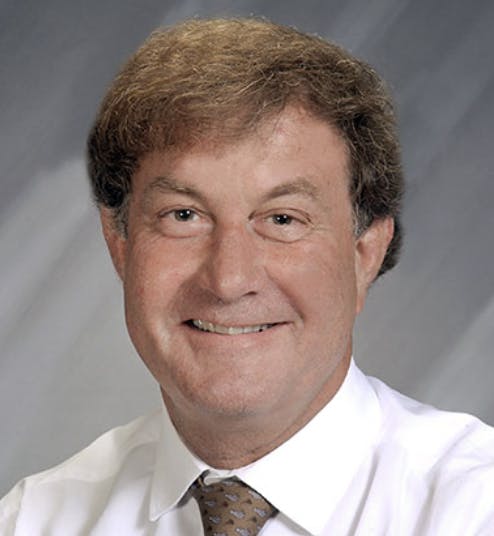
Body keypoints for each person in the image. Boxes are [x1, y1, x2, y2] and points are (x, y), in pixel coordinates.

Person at [1, 17, 493, 536]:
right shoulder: (32, 520)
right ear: (119, 244)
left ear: (365, 253)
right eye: (183, 215)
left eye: (282, 219)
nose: (229, 280)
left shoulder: (476, 508)